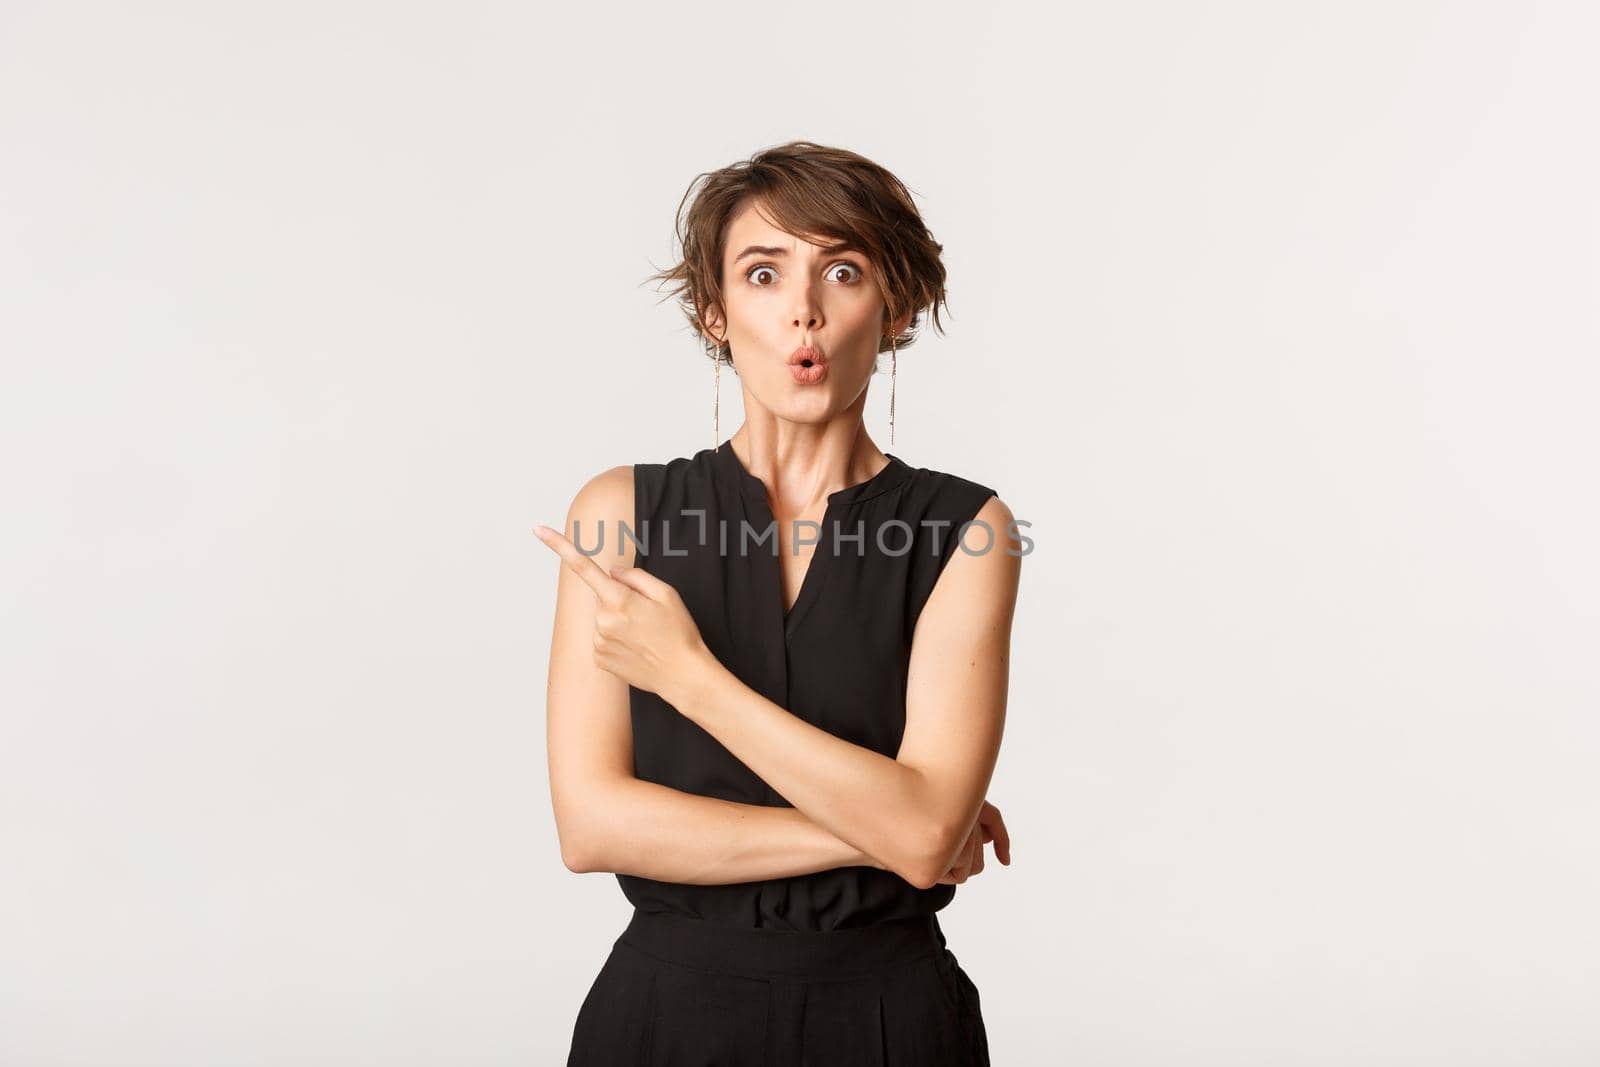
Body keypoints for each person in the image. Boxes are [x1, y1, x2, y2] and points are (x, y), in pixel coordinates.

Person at [535, 141, 1021, 1066]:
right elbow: (592, 825)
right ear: (716, 315)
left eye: (843, 270)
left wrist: (684, 675)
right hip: (665, 1014)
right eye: (764, 273)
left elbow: (924, 838)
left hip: (889, 1017)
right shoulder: (619, 512)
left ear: (895, 309)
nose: (804, 308)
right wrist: (883, 831)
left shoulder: (969, 530)